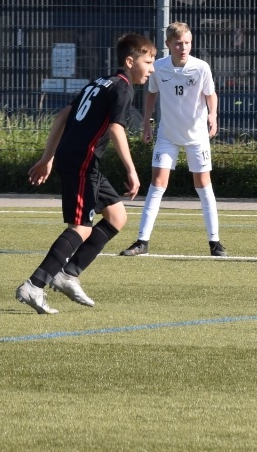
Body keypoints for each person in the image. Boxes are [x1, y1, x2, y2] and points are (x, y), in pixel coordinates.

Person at [16, 33, 157, 313]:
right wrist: (132, 170)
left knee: (117, 216)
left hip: (80, 159)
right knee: (81, 227)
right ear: (130, 62)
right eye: (148, 62)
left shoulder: (99, 82)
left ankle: (68, 274)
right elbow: (116, 128)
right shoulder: (123, 88)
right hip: (82, 161)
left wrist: (48, 158)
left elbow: (62, 116)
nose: (152, 69)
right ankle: (35, 284)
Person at [120, 21, 226, 257]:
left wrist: (213, 115)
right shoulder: (159, 67)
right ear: (168, 44)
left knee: (203, 186)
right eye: (178, 43)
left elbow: (211, 94)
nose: (183, 47)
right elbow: (151, 93)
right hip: (167, 135)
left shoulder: (201, 68)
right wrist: (146, 122)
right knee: (157, 184)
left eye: (187, 43)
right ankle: (142, 241)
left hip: (196, 137)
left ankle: (215, 242)